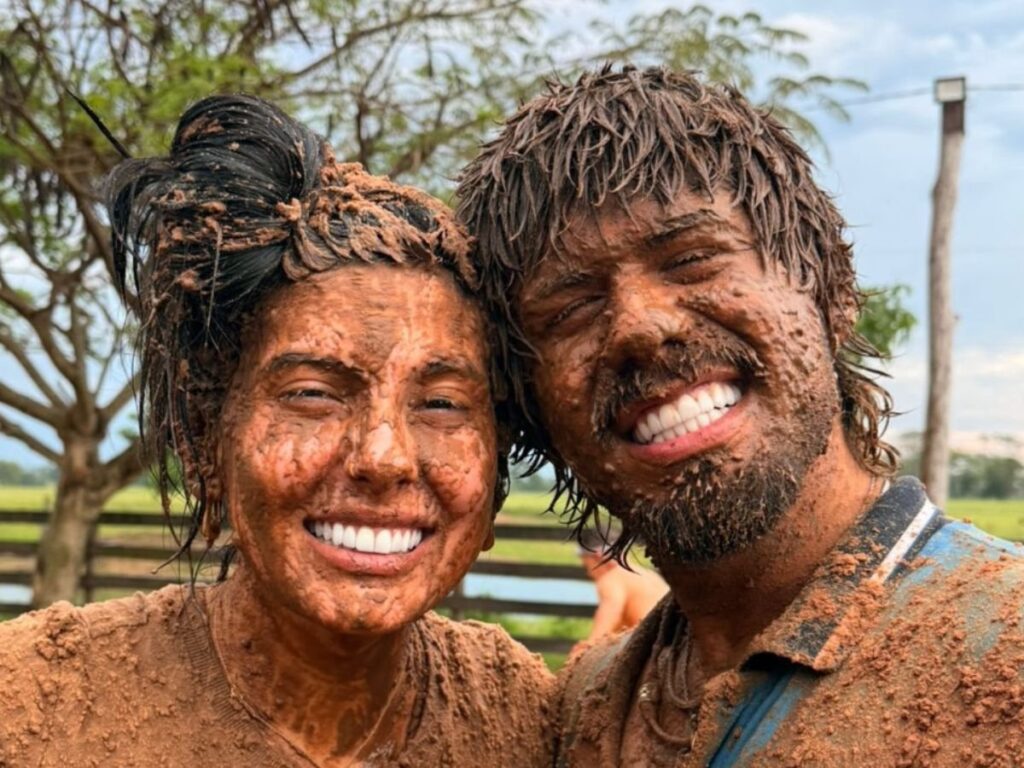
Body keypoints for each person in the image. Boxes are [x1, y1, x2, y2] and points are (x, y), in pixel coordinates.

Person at [458, 66, 1024, 766]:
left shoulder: (1005, 654)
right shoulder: (579, 710)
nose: (640, 326)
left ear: (831, 287)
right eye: (571, 310)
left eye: (693, 259)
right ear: (532, 409)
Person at [0, 95, 554, 767]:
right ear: (207, 441)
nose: (384, 457)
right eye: (314, 394)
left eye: (441, 404)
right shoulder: (35, 701)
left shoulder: (524, 717)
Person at [577, 529, 668, 647]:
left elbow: (608, 620)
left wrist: (585, 648)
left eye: (586, 566)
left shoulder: (611, 580)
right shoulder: (647, 574)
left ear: (597, 556)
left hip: (650, 644)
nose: (589, 574)